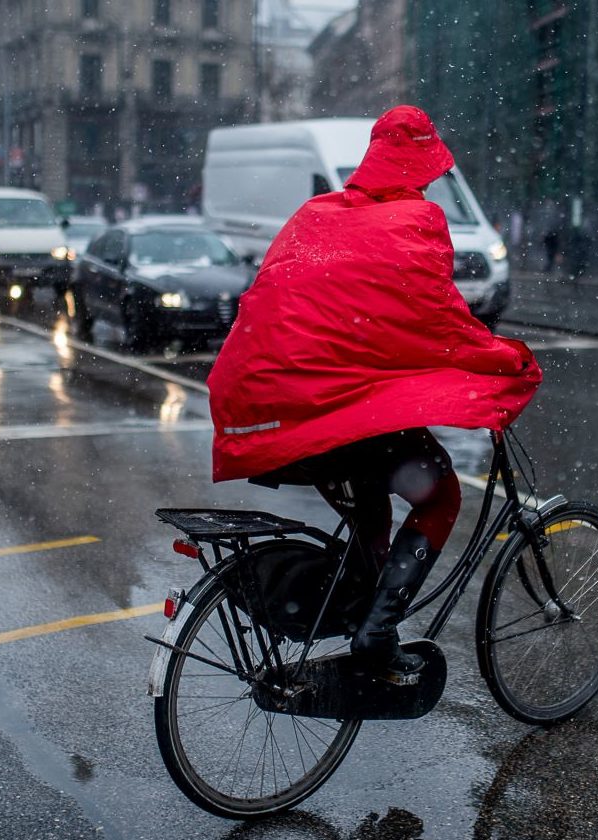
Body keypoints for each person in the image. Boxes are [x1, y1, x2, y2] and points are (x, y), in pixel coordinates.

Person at [208, 105, 542, 680]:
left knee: (370, 505)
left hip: (277, 412)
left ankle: (364, 615)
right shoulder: (417, 220)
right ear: (423, 168)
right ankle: (377, 634)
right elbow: (437, 323)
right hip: (328, 411)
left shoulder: (315, 214)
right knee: (438, 497)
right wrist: (505, 359)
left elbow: (307, 314)